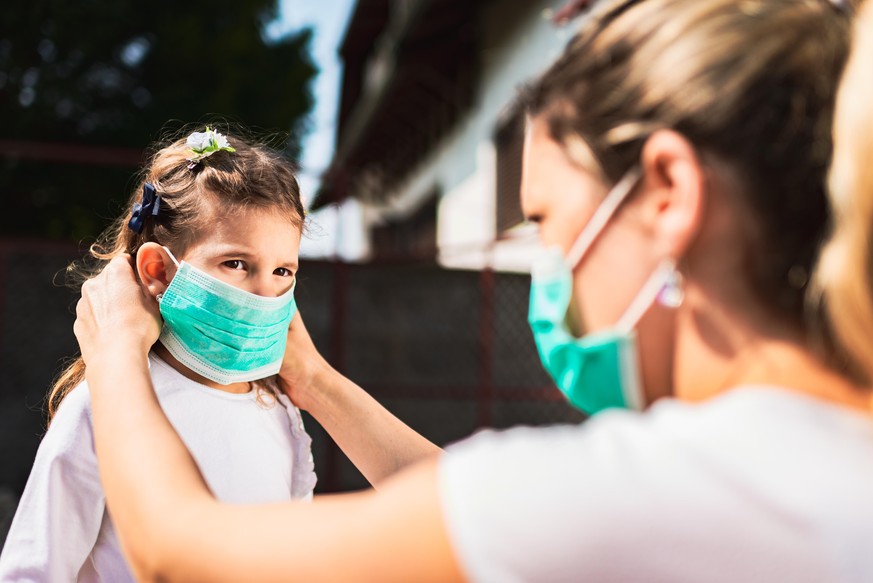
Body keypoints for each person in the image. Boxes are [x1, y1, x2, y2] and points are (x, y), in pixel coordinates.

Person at [71, 0, 873, 581]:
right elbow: (464, 499)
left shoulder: (668, 491)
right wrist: (313, 381)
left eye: (548, 219)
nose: (549, 265)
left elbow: (183, 554)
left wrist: (113, 354)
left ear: (667, 192)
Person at [0, 127, 319, 582]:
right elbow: (34, 571)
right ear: (157, 270)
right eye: (237, 264)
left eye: (282, 269)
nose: (266, 293)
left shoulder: (280, 413)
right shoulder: (103, 404)